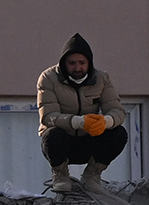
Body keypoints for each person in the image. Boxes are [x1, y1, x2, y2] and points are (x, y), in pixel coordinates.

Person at [35, 36, 128, 192]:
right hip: (62, 143)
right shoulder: (48, 78)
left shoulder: (102, 79)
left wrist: (105, 121)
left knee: (119, 133)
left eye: (82, 63)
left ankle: (93, 174)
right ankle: (60, 174)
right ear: (64, 63)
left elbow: (117, 110)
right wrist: (78, 122)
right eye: (72, 63)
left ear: (89, 63)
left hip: (89, 141)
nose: (77, 68)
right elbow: (48, 116)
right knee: (52, 135)